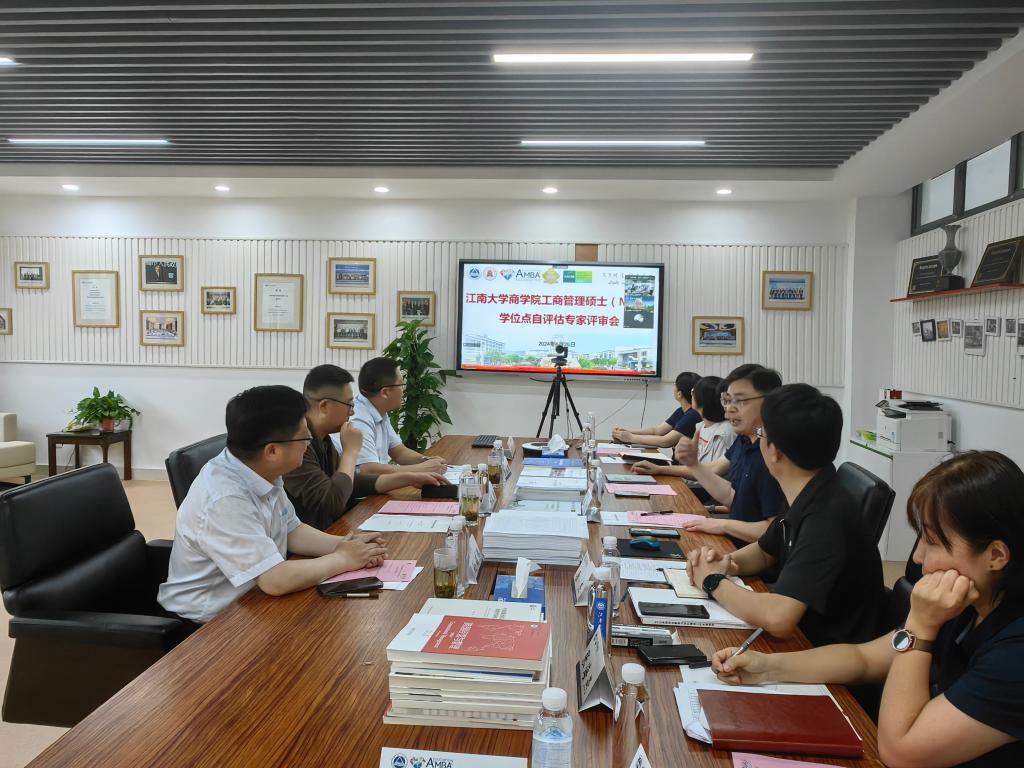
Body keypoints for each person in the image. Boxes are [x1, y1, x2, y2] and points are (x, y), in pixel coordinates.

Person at [713, 451, 1024, 768]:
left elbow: (899, 751)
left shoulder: (1014, 651)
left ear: (996, 556)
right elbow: (864, 658)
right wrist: (766, 667)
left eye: (933, 541)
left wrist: (921, 626)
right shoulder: (969, 601)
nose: (918, 556)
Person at [158, 385, 388, 625]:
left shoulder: (261, 470)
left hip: (251, 601)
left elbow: (291, 530)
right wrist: (343, 559)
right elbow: (274, 580)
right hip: (206, 625)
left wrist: (343, 545)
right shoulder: (225, 499)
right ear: (272, 451)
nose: (308, 444)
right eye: (304, 438)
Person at [687, 384, 887, 646]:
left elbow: (779, 618)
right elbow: (765, 551)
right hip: (803, 637)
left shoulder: (826, 517)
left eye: (761, 433)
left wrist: (712, 581)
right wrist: (727, 562)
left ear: (776, 452)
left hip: (818, 649)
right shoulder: (809, 488)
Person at [284, 364, 447, 531]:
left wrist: (408, 478)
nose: (352, 413)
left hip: (330, 532)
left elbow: (350, 484)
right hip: (312, 540)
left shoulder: (323, 439)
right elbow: (333, 502)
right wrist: (350, 452)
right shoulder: (297, 445)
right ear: (324, 406)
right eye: (349, 404)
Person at [676, 365, 785, 543]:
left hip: (753, 552)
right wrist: (693, 465)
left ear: (770, 402)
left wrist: (723, 525)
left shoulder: (775, 453)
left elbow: (775, 531)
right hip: (733, 543)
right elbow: (732, 496)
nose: (729, 409)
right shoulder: (744, 439)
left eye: (740, 401)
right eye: (727, 400)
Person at [344, 357, 447, 476]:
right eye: (401, 385)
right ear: (385, 392)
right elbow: (368, 470)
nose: (404, 390)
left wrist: (426, 460)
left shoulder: (378, 410)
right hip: (366, 487)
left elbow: (399, 452)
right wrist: (423, 468)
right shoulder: (359, 420)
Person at [631, 375, 735, 480]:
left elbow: (710, 473)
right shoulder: (701, 426)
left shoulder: (725, 432)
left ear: (703, 400)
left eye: (693, 392)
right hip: (691, 482)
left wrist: (660, 469)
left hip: (702, 488)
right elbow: (690, 465)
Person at [611, 371, 701, 446]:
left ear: (679, 394)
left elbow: (666, 441)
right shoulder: (682, 410)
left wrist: (631, 437)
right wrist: (627, 432)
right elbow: (657, 431)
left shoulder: (693, 415)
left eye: (675, 384)